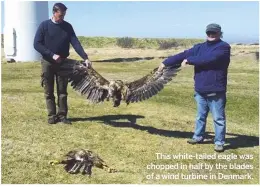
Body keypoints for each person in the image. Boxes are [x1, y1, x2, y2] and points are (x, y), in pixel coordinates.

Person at [159, 23, 231, 152]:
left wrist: (189, 60)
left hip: (215, 90)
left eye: (214, 33)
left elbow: (209, 59)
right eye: (209, 32)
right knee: (200, 116)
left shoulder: (223, 47)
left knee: (218, 119)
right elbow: (183, 54)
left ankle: (219, 142)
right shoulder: (199, 47)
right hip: (200, 89)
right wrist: (165, 62)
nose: (211, 35)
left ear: (220, 33)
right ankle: (198, 137)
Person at [34, 3, 92, 125]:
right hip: (48, 63)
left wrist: (85, 57)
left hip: (63, 63)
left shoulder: (67, 27)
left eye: (64, 15)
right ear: (54, 13)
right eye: (60, 15)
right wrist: (51, 54)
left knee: (62, 91)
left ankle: (62, 116)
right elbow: (37, 44)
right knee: (49, 91)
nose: (62, 18)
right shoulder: (44, 26)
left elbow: (75, 43)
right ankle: (52, 116)